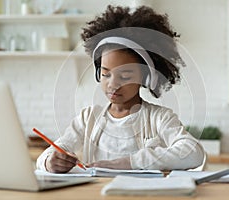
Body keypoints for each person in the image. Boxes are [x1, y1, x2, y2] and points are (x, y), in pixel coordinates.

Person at [37, 5, 205, 173]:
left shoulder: (159, 118)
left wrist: (129, 163)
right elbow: (50, 153)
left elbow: (194, 153)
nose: (112, 84)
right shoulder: (88, 118)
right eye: (105, 74)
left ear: (145, 76)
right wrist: (49, 162)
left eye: (124, 76)